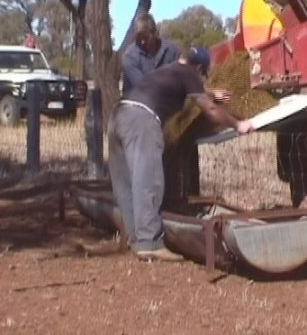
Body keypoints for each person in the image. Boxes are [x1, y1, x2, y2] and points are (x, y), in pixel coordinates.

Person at [108, 46, 254, 262]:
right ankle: (150, 243)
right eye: (202, 75)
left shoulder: (169, 71)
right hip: (142, 120)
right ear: (198, 68)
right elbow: (211, 111)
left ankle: (135, 238)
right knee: (148, 180)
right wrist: (238, 123)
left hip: (118, 116)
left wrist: (210, 92)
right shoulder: (189, 73)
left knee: (126, 183)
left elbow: (187, 91)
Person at [121, 12, 181, 98]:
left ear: (154, 32)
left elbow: (180, 79)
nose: (142, 41)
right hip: (139, 104)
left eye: (145, 37)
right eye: (138, 38)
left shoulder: (172, 50)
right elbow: (144, 87)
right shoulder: (130, 57)